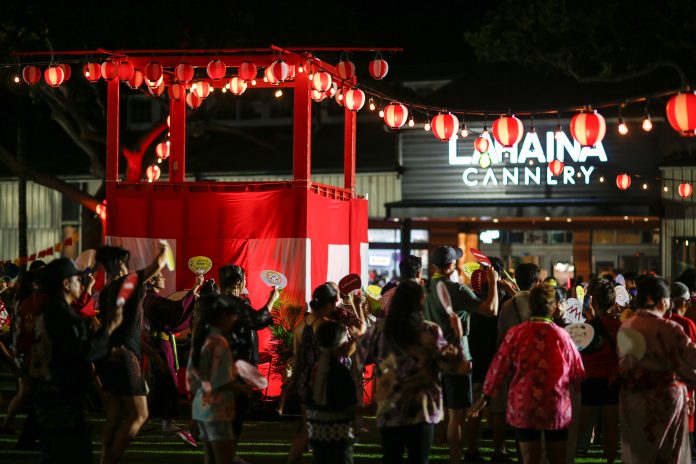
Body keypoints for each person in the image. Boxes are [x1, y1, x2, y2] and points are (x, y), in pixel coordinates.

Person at [469, 285, 585, 464]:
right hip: (556, 404)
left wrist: (484, 397)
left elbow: (498, 368)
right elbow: (578, 372)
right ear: (553, 307)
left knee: (530, 459)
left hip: (525, 404)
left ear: (531, 307)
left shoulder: (517, 334)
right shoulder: (562, 336)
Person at [359, 280, 468, 464]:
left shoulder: (379, 331)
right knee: (419, 459)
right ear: (421, 301)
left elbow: (361, 358)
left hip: (389, 407)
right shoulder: (430, 330)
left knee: (391, 459)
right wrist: (457, 336)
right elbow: (454, 366)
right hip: (422, 409)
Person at [32, 258, 123, 463]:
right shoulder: (63, 316)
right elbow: (82, 352)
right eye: (77, 279)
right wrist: (109, 328)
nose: (81, 283)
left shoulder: (51, 311)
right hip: (63, 396)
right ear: (66, 284)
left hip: (47, 394)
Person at [423, 246, 498, 464]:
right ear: (450, 266)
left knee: (440, 411)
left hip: (433, 356)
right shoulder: (455, 289)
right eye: (454, 260)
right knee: (457, 414)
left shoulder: (426, 288)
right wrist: (492, 281)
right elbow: (491, 310)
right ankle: (455, 458)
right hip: (457, 357)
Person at [95, 244, 168, 464]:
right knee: (139, 414)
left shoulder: (107, 290)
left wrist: (152, 354)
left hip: (111, 353)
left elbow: (129, 330)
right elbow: (157, 265)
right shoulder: (126, 283)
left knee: (116, 414)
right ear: (119, 263)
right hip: (125, 355)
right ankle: (112, 460)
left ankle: (105, 459)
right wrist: (165, 249)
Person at [618, 275, 696, 462]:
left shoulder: (627, 326)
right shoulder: (669, 328)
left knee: (640, 452)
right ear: (661, 301)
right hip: (665, 398)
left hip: (634, 396)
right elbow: (691, 363)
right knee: (668, 452)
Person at [218, 264, 279, 464]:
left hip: (223, 363)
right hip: (236, 366)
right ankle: (227, 454)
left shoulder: (218, 303)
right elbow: (256, 320)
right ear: (238, 282)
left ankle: (224, 453)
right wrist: (272, 300)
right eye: (243, 278)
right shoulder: (234, 304)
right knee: (235, 412)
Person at [143, 271, 203, 444]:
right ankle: (163, 421)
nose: (163, 278)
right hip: (161, 345)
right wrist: (194, 288)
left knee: (163, 382)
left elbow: (175, 306)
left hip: (164, 343)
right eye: (160, 276)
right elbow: (176, 310)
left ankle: (155, 420)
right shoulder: (152, 300)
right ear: (152, 281)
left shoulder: (154, 299)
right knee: (166, 381)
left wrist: (193, 293)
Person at [187, 294, 244, 464]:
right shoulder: (219, 343)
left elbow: (193, 376)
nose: (235, 320)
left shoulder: (201, 339)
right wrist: (242, 388)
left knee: (210, 457)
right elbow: (220, 382)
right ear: (223, 316)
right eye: (233, 315)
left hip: (202, 405)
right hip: (217, 407)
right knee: (222, 459)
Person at [288, 283, 339, 464]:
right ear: (333, 302)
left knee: (308, 427)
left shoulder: (301, 325)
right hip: (321, 381)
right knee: (324, 428)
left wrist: (294, 382)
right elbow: (339, 353)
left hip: (304, 380)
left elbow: (297, 356)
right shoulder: (326, 325)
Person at [576, 279, 621, 464]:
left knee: (579, 427)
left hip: (589, 381)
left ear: (594, 303)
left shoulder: (587, 327)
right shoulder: (620, 327)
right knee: (611, 429)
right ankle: (610, 460)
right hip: (612, 381)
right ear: (614, 303)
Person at [306, 320, 358, 464]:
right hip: (337, 434)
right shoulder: (340, 371)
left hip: (318, 433)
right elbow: (349, 406)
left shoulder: (316, 368)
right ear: (340, 344)